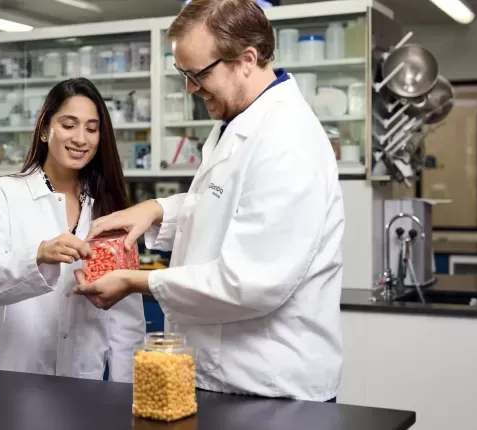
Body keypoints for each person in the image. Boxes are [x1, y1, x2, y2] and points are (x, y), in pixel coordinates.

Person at [73, 0, 345, 402]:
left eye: (198, 74)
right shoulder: (236, 122)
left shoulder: (288, 141)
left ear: (247, 59)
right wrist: (156, 210)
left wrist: (135, 282)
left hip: (270, 386)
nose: (190, 88)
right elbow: (227, 200)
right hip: (224, 375)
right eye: (182, 73)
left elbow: (250, 282)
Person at [0, 78, 146, 382]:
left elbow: (127, 319)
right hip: (16, 374)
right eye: (69, 124)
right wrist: (38, 255)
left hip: (84, 380)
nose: (81, 138)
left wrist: (125, 393)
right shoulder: (2, 195)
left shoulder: (110, 210)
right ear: (45, 129)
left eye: (91, 128)